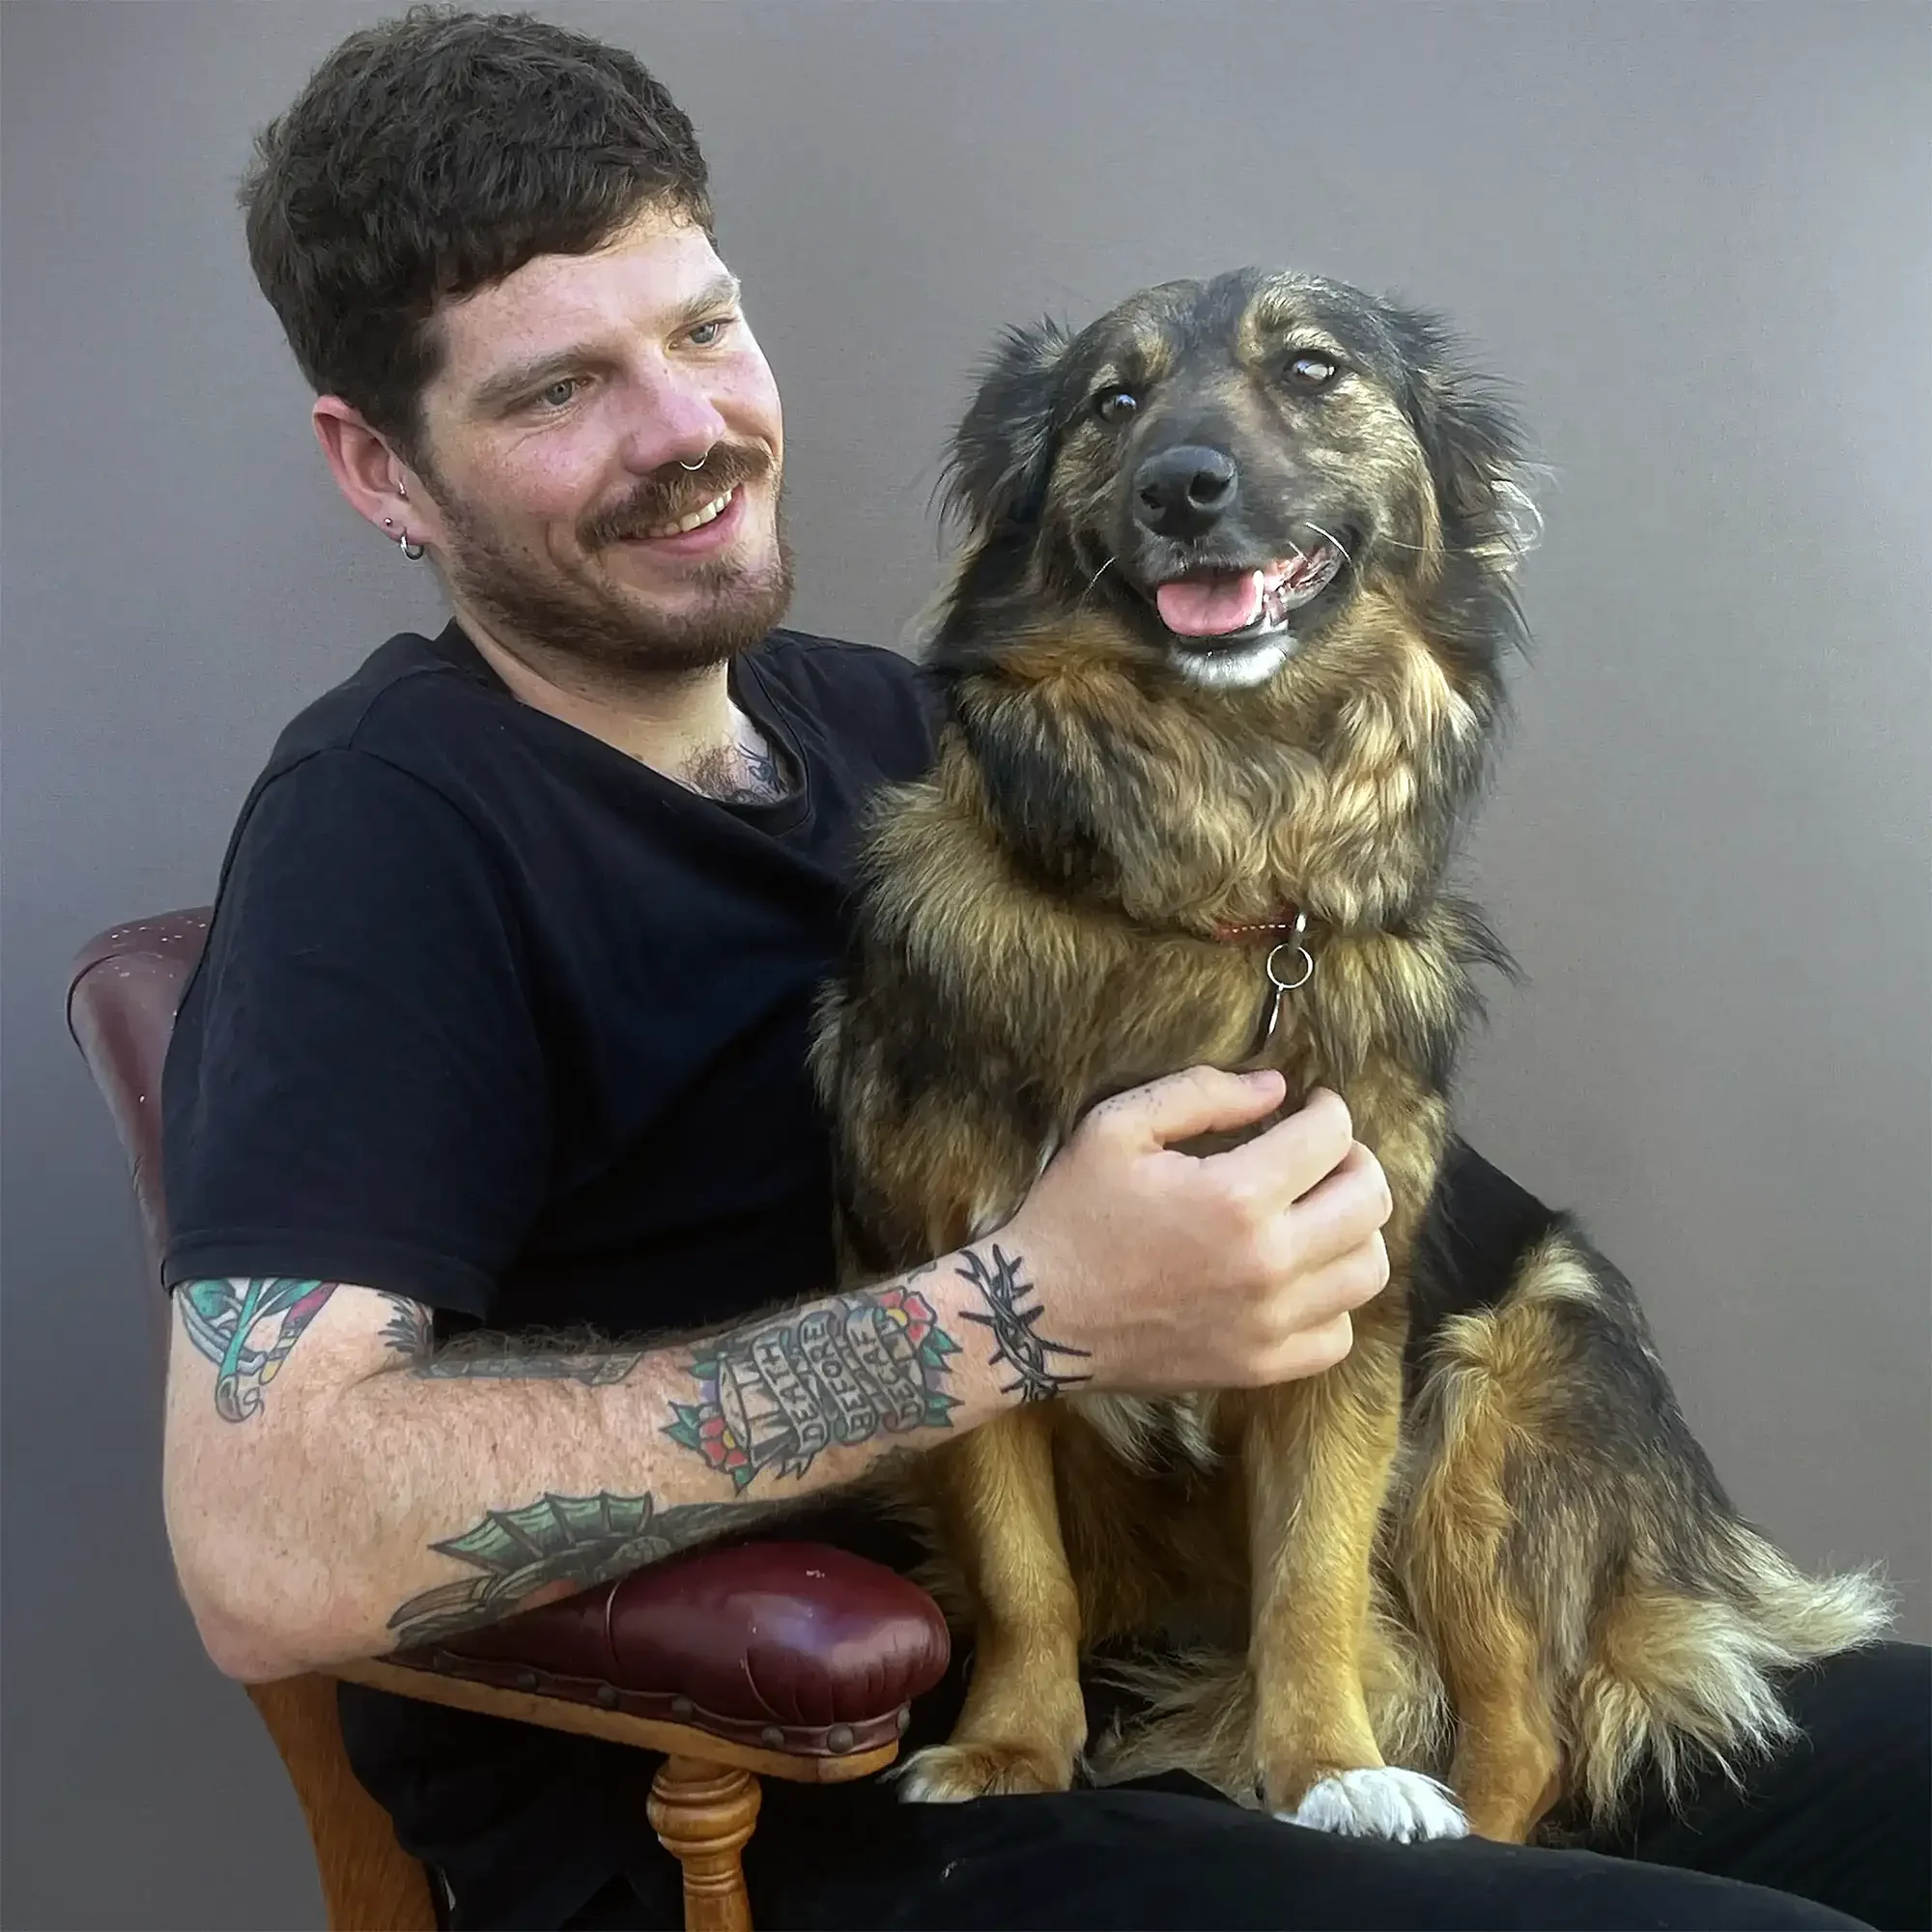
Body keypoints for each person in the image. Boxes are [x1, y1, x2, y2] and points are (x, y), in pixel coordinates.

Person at [157, 11, 1928, 1931]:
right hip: (796, 1788)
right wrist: (1031, 1308)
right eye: (558, 391)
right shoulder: (391, 827)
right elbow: (265, 1543)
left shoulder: (912, 731)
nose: (689, 429)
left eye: (700, 328)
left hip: (1193, 1662)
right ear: (379, 465)